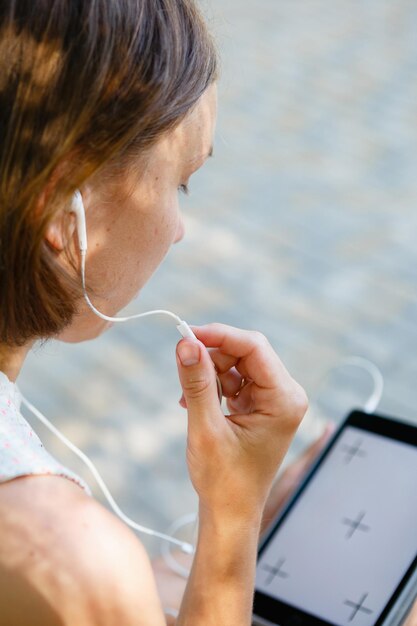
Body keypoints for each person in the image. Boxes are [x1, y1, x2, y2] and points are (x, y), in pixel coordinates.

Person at [0, 2, 412, 625]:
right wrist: (233, 521)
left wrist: (236, 523)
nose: (178, 232)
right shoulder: (64, 558)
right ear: (66, 207)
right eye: (181, 183)